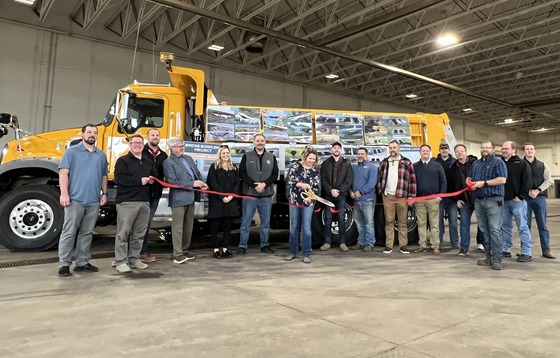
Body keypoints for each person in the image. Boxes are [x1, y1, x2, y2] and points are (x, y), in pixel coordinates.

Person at [57, 124, 108, 277]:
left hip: (93, 201)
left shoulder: (101, 155)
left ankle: (82, 262)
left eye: (95, 133)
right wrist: (64, 194)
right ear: (83, 134)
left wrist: (104, 193)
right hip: (75, 200)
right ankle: (64, 264)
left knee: (87, 233)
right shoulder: (71, 152)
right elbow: (63, 173)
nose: (92, 135)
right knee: (69, 232)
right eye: (89, 132)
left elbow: (104, 175)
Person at [113, 135, 156, 273]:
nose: (137, 145)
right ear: (130, 145)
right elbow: (119, 179)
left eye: (140, 143)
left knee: (139, 233)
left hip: (144, 202)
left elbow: (153, 175)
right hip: (127, 202)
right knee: (123, 233)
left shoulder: (148, 161)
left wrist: (151, 180)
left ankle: (134, 258)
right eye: (135, 143)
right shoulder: (122, 161)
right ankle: (120, 261)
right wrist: (139, 181)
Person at [163, 137, 207, 264]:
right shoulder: (168, 162)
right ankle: (177, 254)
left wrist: (202, 183)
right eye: (179, 146)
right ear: (172, 148)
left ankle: (184, 250)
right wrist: (193, 183)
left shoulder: (188, 158)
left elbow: (197, 173)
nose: (182, 147)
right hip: (178, 198)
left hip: (191, 197)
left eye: (182, 145)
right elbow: (172, 182)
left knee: (189, 226)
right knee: (178, 227)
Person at [468, 140, 507, 270]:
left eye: (487, 147)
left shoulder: (498, 162)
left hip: (494, 200)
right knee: (484, 230)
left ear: (493, 149)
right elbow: (469, 178)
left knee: (495, 230)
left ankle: (497, 259)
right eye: (482, 147)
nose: (484, 149)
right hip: (479, 201)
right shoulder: (476, 164)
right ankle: (488, 257)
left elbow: (502, 179)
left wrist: (484, 183)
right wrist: (469, 182)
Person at [238, 133, 279, 254]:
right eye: (258, 140)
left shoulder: (271, 157)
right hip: (250, 194)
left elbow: (274, 174)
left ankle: (265, 245)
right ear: (253, 142)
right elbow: (242, 173)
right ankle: (242, 245)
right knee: (246, 222)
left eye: (262, 140)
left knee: (265, 223)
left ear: (265, 142)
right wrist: (254, 185)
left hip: (266, 195)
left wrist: (264, 184)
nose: (260, 142)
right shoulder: (247, 156)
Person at [377, 139, 416, 254]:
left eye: (394, 147)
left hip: (402, 196)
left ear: (399, 148)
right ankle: (389, 245)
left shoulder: (406, 162)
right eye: (390, 148)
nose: (392, 150)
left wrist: (412, 196)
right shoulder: (384, 162)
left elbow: (412, 179)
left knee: (402, 221)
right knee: (389, 221)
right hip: (388, 196)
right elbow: (379, 178)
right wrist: (381, 191)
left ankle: (403, 245)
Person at [285, 146, 321, 263]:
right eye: (310, 158)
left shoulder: (315, 170)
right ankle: (292, 251)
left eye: (314, 159)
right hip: (295, 201)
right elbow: (291, 181)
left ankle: (306, 253)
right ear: (305, 157)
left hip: (308, 202)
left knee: (306, 228)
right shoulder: (295, 166)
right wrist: (303, 185)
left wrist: (311, 197)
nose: (312, 161)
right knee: (294, 227)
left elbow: (316, 187)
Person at [448, 144, 485, 256]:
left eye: (462, 151)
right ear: (455, 153)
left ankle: (482, 244)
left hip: (478, 198)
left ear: (466, 151)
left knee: (482, 223)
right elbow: (451, 186)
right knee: (464, 224)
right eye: (457, 152)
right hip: (464, 200)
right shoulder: (452, 168)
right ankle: (464, 248)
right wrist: (456, 199)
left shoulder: (476, 163)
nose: (460, 153)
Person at [500, 141, 533, 262]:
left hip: (517, 201)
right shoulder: (500, 162)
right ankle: (505, 249)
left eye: (506, 149)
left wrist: (520, 196)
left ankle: (526, 252)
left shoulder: (522, 164)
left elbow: (528, 182)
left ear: (513, 150)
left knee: (523, 227)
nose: (504, 150)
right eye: (503, 148)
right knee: (505, 226)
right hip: (503, 201)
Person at [139, 128, 168, 263]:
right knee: (137, 223)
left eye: (157, 135)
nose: (155, 137)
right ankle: (134, 251)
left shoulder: (163, 156)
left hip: (155, 194)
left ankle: (142, 251)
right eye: (152, 135)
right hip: (141, 194)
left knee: (147, 223)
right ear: (148, 137)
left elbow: (167, 174)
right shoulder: (141, 152)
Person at [206, 145, 240, 259]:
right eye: (223, 153)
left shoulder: (234, 167)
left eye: (227, 153)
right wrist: (222, 197)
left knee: (227, 226)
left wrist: (231, 196)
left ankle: (225, 248)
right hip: (217, 201)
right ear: (220, 154)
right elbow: (212, 183)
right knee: (215, 226)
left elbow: (237, 184)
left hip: (230, 201)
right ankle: (215, 249)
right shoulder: (214, 166)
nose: (226, 155)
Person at [523, 142, 556, 259]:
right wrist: (525, 192)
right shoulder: (520, 165)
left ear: (535, 150)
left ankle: (546, 250)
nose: (530, 151)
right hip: (525, 198)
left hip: (539, 198)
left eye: (531, 149)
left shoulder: (543, 165)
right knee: (525, 226)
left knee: (542, 225)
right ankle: (525, 251)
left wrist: (537, 190)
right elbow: (516, 181)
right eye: (527, 149)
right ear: (524, 151)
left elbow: (548, 180)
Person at [319, 141, 353, 252]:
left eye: (338, 148)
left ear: (341, 150)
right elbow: (322, 179)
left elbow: (349, 180)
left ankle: (342, 243)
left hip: (341, 195)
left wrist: (338, 191)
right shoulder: (326, 163)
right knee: (327, 219)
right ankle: (327, 242)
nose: (336, 150)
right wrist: (330, 190)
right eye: (334, 148)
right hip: (328, 195)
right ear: (331, 150)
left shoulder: (347, 164)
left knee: (342, 218)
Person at [413, 144, 446, 255]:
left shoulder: (437, 166)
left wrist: (440, 196)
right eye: (423, 151)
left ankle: (435, 246)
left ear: (430, 152)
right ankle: (422, 245)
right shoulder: (415, 166)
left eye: (427, 150)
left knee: (434, 224)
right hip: (419, 200)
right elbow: (412, 183)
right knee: (421, 224)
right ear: (420, 152)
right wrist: (413, 197)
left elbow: (443, 181)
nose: (425, 152)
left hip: (433, 200)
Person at [349, 147, 377, 252]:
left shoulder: (372, 167)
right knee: (359, 223)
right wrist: (351, 192)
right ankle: (361, 242)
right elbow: (350, 182)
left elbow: (372, 183)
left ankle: (370, 243)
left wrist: (361, 192)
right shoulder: (354, 168)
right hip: (356, 200)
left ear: (366, 155)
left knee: (369, 223)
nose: (360, 155)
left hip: (367, 199)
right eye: (358, 154)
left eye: (362, 154)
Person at [434, 142, 459, 248]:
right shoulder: (434, 162)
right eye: (442, 149)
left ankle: (455, 242)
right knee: (438, 221)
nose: (444, 150)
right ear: (439, 150)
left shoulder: (454, 162)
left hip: (451, 197)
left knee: (453, 220)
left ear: (449, 150)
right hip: (439, 197)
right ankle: (438, 241)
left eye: (446, 149)